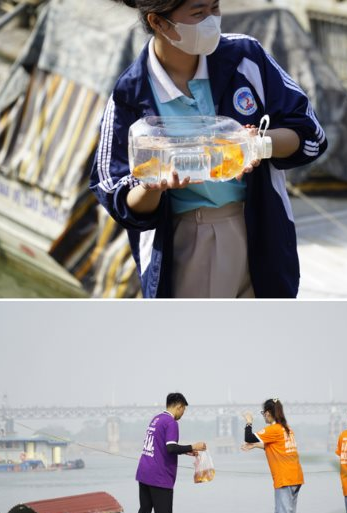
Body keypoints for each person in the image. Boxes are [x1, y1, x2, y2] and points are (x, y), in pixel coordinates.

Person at [90, 0, 328, 298]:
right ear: (159, 23)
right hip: (190, 240)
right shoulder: (130, 94)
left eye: (215, 8)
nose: (211, 21)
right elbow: (116, 195)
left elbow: (310, 133)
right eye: (198, 13)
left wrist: (256, 145)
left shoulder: (246, 57)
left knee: (263, 338)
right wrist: (153, 185)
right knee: (203, 340)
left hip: (262, 228)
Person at [132, 392, 206, 513]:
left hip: (144, 472)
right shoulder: (171, 422)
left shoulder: (156, 419)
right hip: (159, 476)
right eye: (183, 410)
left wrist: (186, 451)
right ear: (179, 406)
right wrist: (193, 446)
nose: (182, 414)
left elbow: (162, 446)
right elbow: (171, 448)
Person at [243, 398, 305, 513]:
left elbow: (248, 437)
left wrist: (249, 422)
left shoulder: (274, 429)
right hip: (295, 477)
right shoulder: (286, 429)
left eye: (264, 413)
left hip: (285, 478)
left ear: (269, 413)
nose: (264, 416)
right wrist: (256, 446)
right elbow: (275, 445)